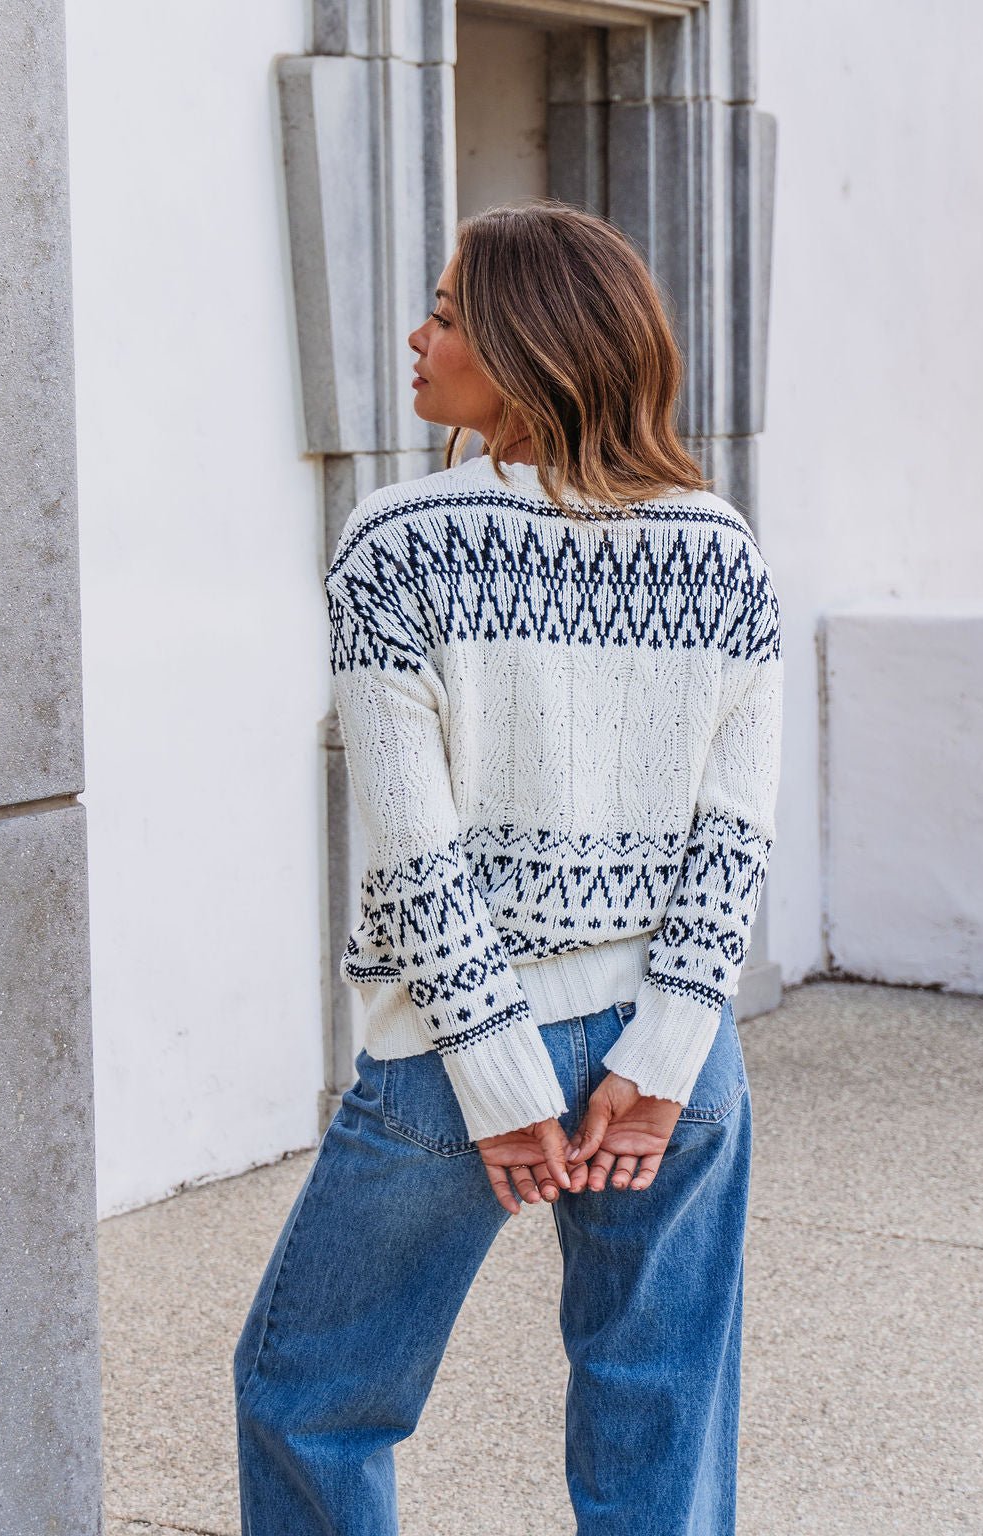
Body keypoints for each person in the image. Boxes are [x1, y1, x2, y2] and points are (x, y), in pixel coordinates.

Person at [233, 199, 783, 1535]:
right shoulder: (722, 551)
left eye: (445, 312)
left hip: (456, 1056)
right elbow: (735, 843)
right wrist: (656, 1064)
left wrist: (498, 1077)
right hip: (680, 1060)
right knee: (658, 1408)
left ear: (532, 345)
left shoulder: (398, 543)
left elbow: (418, 854)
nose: (414, 335)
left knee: (310, 1391)